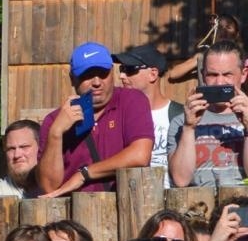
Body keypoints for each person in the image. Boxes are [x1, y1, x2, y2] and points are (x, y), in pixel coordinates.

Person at [37, 42, 154, 196]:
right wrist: (56, 134)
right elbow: (49, 187)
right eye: (88, 75)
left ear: (112, 72)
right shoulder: (53, 121)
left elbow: (140, 156)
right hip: (72, 215)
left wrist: (84, 174)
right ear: (73, 78)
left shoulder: (131, 101)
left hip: (126, 209)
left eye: (103, 73)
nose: (97, 82)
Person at [168, 40, 248, 187]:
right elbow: (181, 180)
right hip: (199, 206)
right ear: (203, 75)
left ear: (243, 75)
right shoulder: (181, 122)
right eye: (212, 74)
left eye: (227, 74)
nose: (219, 82)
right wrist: (189, 128)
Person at [114, 43, 179, 179]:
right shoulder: (116, 115)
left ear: (153, 74)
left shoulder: (180, 114)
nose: (122, 76)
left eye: (130, 69)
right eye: (121, 69)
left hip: (174, 197)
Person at [0, 119, 41, 199]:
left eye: (24, 147)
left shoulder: (55, 190)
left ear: (41, 148)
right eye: (11, 149)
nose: (17, 155)